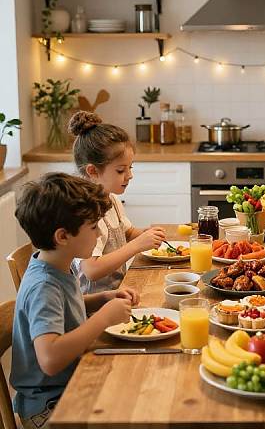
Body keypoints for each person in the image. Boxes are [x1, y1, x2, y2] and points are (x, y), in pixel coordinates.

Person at [11, 173, 139, 429]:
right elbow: (50, 359)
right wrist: (104, 318)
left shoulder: (56, 264)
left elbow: (65, 305)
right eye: (93, 228)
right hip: (50, 408)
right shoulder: (42, 285)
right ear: (62, 237)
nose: (97, 234)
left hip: (68, 386)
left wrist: (101, 299)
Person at [68, 111, 166, 294]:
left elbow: (125, 233)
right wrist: (137, 246)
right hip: (94, 306)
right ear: (93, 171)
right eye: (121, 170)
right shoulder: (84, 212)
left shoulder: (111, 199)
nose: (129, 175)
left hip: (117, 291)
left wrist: (148, 234)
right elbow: (91, 270)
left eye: (130, 167)